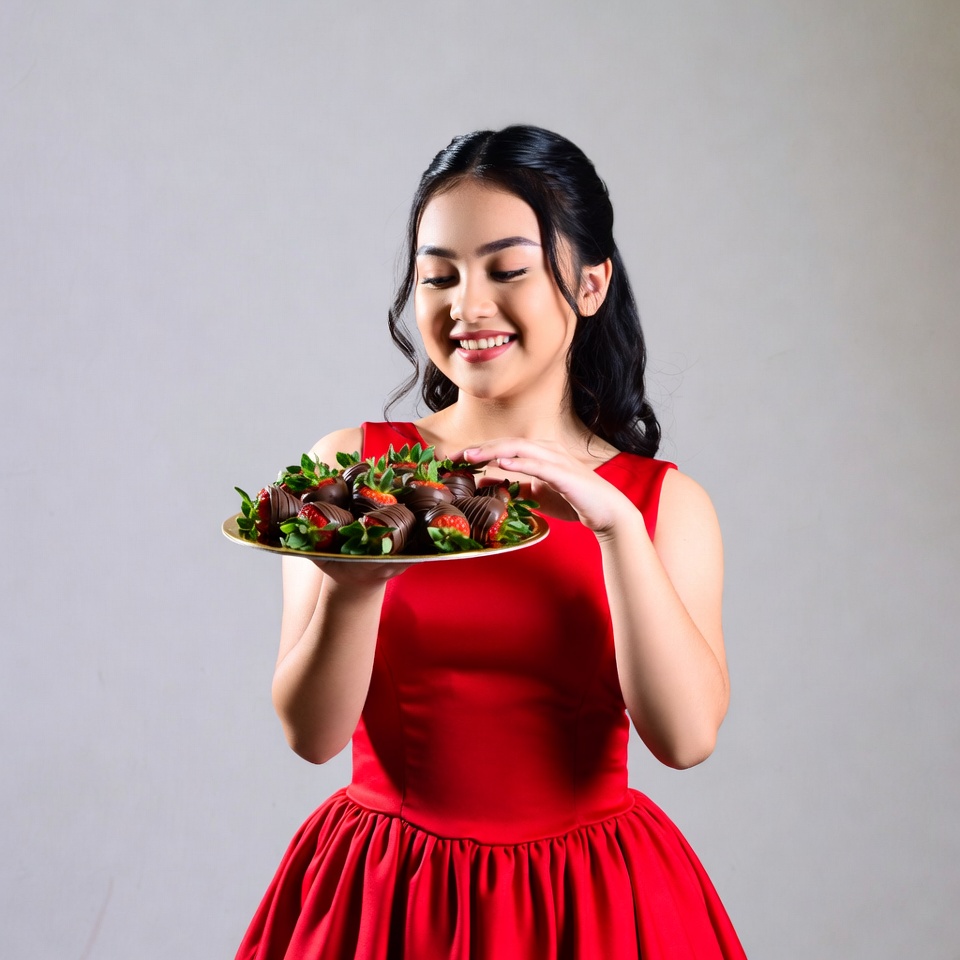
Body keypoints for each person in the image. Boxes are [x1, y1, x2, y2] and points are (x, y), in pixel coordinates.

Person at [235, 125, 747, 959]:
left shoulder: (664, 504)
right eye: (438, 276)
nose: (466, 306)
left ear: (589, 284)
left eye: (507, 271)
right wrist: (362, 575)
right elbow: (310, 734)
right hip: (383, 892)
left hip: (594, 902)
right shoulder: (351, 470)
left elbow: (686, 741)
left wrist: (616, 527)